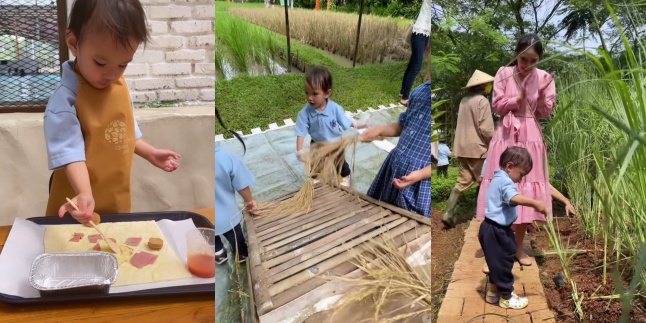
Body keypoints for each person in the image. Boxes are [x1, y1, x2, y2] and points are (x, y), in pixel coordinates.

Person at [44, 0, 180, 223]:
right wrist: (85, 193)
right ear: (74, 43)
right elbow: (70, 154)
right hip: (79, 203)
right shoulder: (66, 100)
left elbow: (121, 133)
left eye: (122, 65)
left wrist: (149, 152)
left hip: (115, 197)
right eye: (100, 63)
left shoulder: (118, 85)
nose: (111, 74)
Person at [476, 34, 555, 266]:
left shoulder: (544, 77)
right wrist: (516, 99)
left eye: (533, 60)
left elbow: (546, 111)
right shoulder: (503, 72)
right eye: (523, 59)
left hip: (531, 134)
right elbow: (497, 106)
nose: (527, 65)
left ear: (539, 59)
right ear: (516, 55)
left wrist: (540, 93)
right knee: (503, 187)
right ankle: (499, 243)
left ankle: (518, 247)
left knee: (525, 189)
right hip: (507, 134)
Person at [480, 147, 546, 310]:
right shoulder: (505, 182)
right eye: (521, 174)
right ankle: (507, 297)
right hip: (496, 230)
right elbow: (513, 198)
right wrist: (536, 203)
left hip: (494, 228)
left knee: (501, 258)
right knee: (502, 263)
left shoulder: (497, 179)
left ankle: (493, 291)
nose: (521, 179)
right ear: (509, 166)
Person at [360, 79, 431, 217]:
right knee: (379, 212)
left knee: (409, 224)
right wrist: (379, 131)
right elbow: (402, 125)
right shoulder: (419, 92)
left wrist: (420, 174)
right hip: (394, 167)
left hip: (419, 181)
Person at [442, 70, 495, 227]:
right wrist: (495, 141)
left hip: (462, 147)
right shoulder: (482, 101)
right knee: (486, 180)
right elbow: (486, 129)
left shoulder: (464, 100)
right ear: (483, 86)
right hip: (477, 149)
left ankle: (448, 213)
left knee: (463, 181)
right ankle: (483, 213)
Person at [295, 66, 360, 187]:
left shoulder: (335, 108)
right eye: (307, 93)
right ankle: (315, 183)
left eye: (315, 94)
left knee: (340, 164)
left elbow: (343, 119)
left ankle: (345, 180)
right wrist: (299, 150)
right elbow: (301, 132)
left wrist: (353, 123)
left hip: (335, 143)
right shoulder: (305, 113)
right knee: (315, 166)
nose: (310, 98)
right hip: (317, 144)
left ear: (327, 93)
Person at [215, 107, 259, 264]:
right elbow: (241, 184)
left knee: (210, 237)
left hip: (203, 218)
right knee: (235, 236)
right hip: (228, 217)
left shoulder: (188, 161)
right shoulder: (225, 158)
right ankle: (241, 255)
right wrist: (249, 202)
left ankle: (219, 255)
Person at [399, 0, 430, 106]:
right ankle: (405, 98)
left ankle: (403, 91)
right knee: (416, 66)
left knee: (413, 64)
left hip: (425, 34)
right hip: (419, 33)